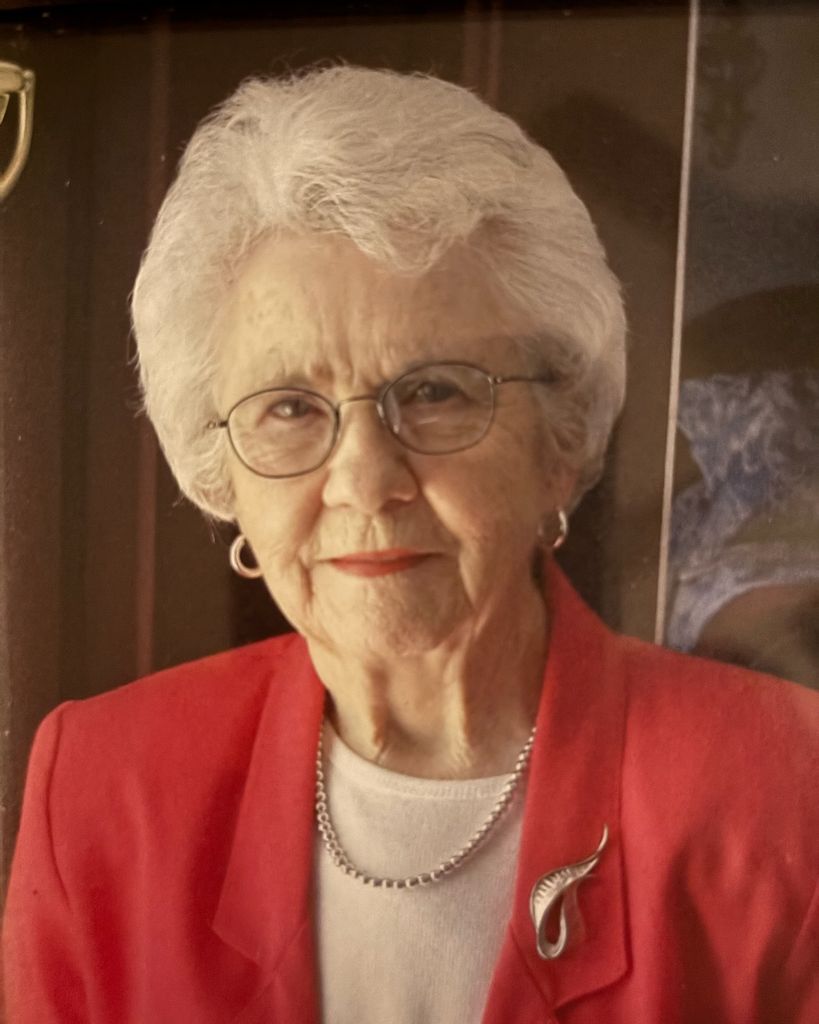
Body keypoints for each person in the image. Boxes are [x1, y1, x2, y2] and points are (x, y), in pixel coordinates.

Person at [3, 65, 817, 1024]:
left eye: (434, 392)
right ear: (222, 473)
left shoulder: (782, 785)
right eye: (289, 408)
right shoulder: (103, 783)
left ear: (557, 444)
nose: (363, 481)